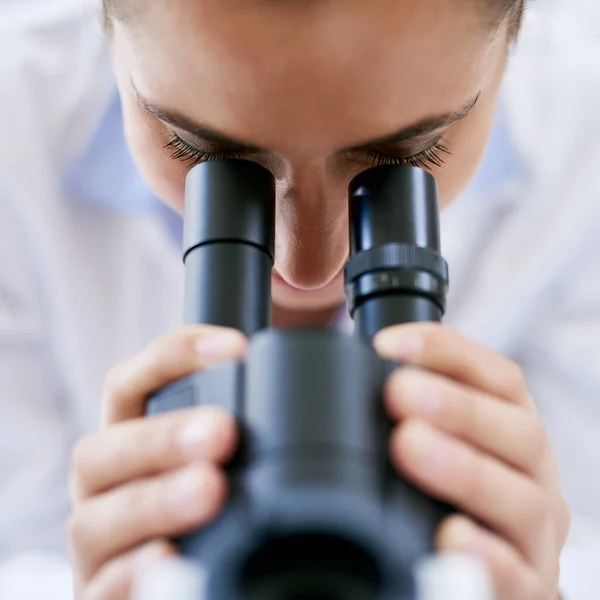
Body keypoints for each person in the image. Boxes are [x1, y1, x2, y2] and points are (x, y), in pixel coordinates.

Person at [0, 1, 599, 599]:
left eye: (408, 158)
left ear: (512, 43)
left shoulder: (583, 149)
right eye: (199, 153)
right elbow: (19, 554)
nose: (305, 268)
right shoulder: (14, 142)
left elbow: (587, 541)